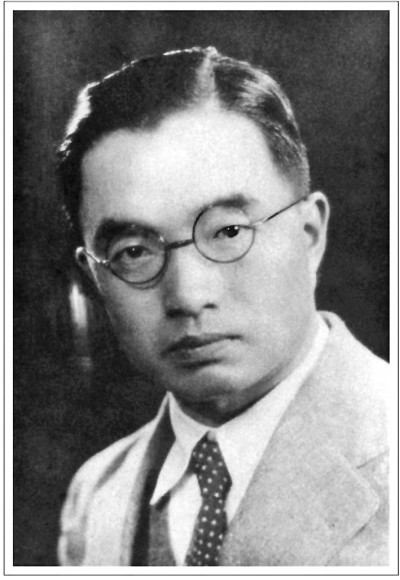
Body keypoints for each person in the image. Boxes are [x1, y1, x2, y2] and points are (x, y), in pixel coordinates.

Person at [57, 47, 389, 566]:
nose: (188, 297)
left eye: (229, 231)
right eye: (134, 252)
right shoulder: (95, 497)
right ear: (94, 279)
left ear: (310, 235)